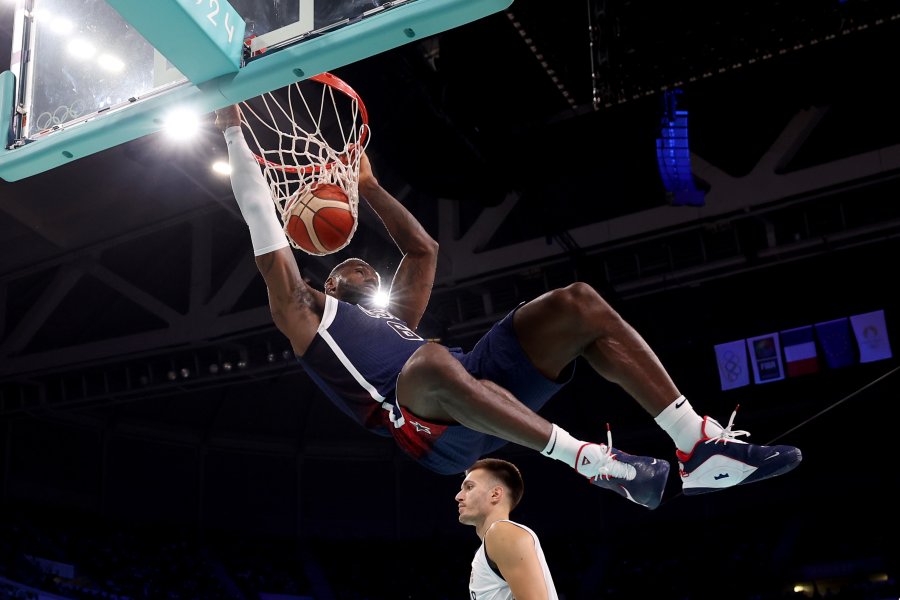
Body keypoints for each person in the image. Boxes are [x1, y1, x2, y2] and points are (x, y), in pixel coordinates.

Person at [215, 103, 802, 511]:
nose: (363, 269)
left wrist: (367, 186)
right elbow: (262, 226)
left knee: (578, 303)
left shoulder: (396, 319)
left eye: (367, 267)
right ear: (327, 280)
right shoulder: (304, 317)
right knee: (431, 364)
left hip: (470, 380)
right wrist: (234, 136)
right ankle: (591, 461)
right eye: (348, 269)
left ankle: (694, 442)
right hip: (424, 426)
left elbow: (423, 250)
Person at [456, 458, 558, 600]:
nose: (458, 497)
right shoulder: (489, 545)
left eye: (469, 487)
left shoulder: (501, 533)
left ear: (495, 494)